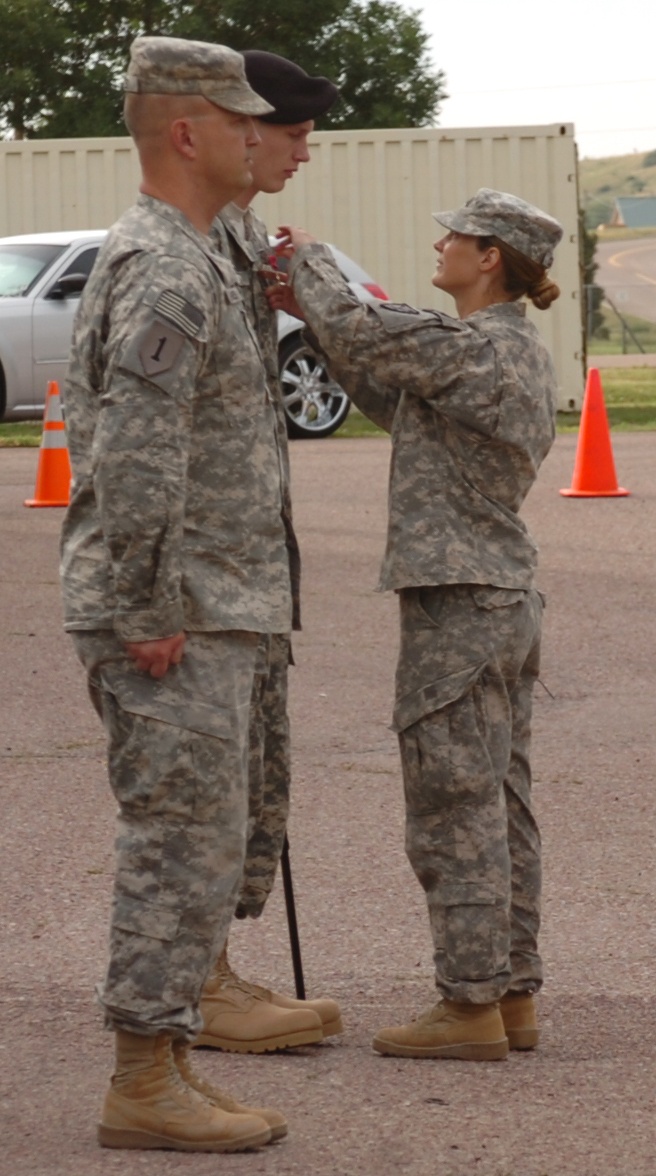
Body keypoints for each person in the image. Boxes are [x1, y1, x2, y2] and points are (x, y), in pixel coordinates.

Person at [60, 36, 296, 1151]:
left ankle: (172, 1058)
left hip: (216, 601)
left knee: (205, 841)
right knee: (176, 844)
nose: (263, 133)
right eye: (241, 117)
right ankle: (142, 1080)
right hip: (178, 610)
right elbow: (139, 454)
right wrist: (149, 604)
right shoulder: (161, 265)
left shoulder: (203, 251)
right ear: (187, 131)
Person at [267, 188, 563, 1061]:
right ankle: (509, 995)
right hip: (493, 598)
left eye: (457, 236)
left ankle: (467, 1006)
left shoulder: (481, 346)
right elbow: (394, 393)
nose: (441, 244)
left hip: (462, 604)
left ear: (491, 260)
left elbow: (376, 335)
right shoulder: (493, 355)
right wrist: (316, 317)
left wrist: (310, 263)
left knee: (454, 807)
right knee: (498, 802)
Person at [195, 49, 344, 1055]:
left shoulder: (241, 242)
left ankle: (212, 973)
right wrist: (151, 597)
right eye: (289, 130)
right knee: (191, 798)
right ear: (237, 129)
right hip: (199, 583)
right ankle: (193, 992)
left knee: (243, 790)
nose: (302, 147)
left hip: (246, 576)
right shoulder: (177, 252)